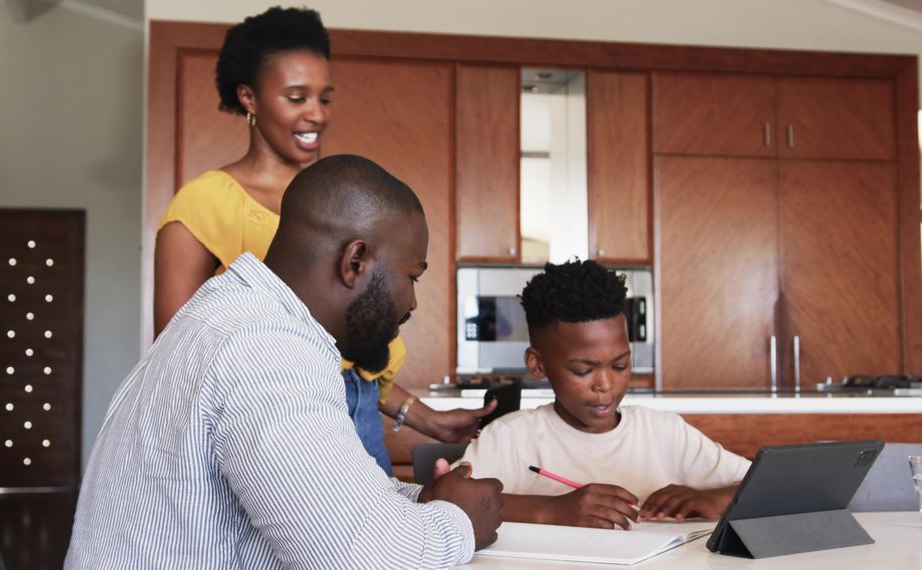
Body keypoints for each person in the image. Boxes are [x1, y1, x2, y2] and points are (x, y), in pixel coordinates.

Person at [66, 155, 503, 568]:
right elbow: (368, 559)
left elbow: (329, 492)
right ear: (355, 261)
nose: (412, 302)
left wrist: (421, 500)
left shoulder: (233, 318)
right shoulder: (266, 351)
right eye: (412, 276)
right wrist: (459, 519)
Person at [153, 6, 492, 475]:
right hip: (278, 417)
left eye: (324, 97)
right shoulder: (203, 205)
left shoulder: (343, 199)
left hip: (361, 413)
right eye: (296, 97)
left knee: (377, 542)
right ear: (249, 97)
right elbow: (177, 358)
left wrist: (427, 419)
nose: (316, 113)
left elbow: (355, 355)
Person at [459, 260, 750, 529]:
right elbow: (453, 502)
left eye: (620, 365)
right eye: (583, 371)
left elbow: (773, 484)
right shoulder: (510, 438)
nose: (606, 385)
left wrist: (718, 498)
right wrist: (552, 509)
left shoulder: (664, 433)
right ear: (538, 364)